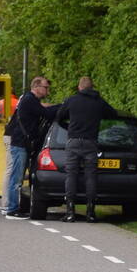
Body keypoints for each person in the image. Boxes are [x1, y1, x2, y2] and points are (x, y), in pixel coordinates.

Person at [56, 76, 118, 223]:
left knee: (71, 174)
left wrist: (68, 127)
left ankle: (70, 212)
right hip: (91, 142)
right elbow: (113, 114)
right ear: (92, 87)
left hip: (73, 141)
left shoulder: (72, 100)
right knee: (91, 176)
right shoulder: (98, 102)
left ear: (79, 87)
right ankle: (90, 212)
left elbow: (59, 117)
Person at [5, 77, 59, 218]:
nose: (47, 90)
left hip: (21, 143)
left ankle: (14, 207)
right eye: (45, 87)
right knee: (16, 178)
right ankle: (11, 209)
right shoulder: (29, 100)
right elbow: (46, 113)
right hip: (20, 144)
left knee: (17, 177)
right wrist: (64, 106)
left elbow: (43, 109)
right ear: (36, 87)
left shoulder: (30, 100)